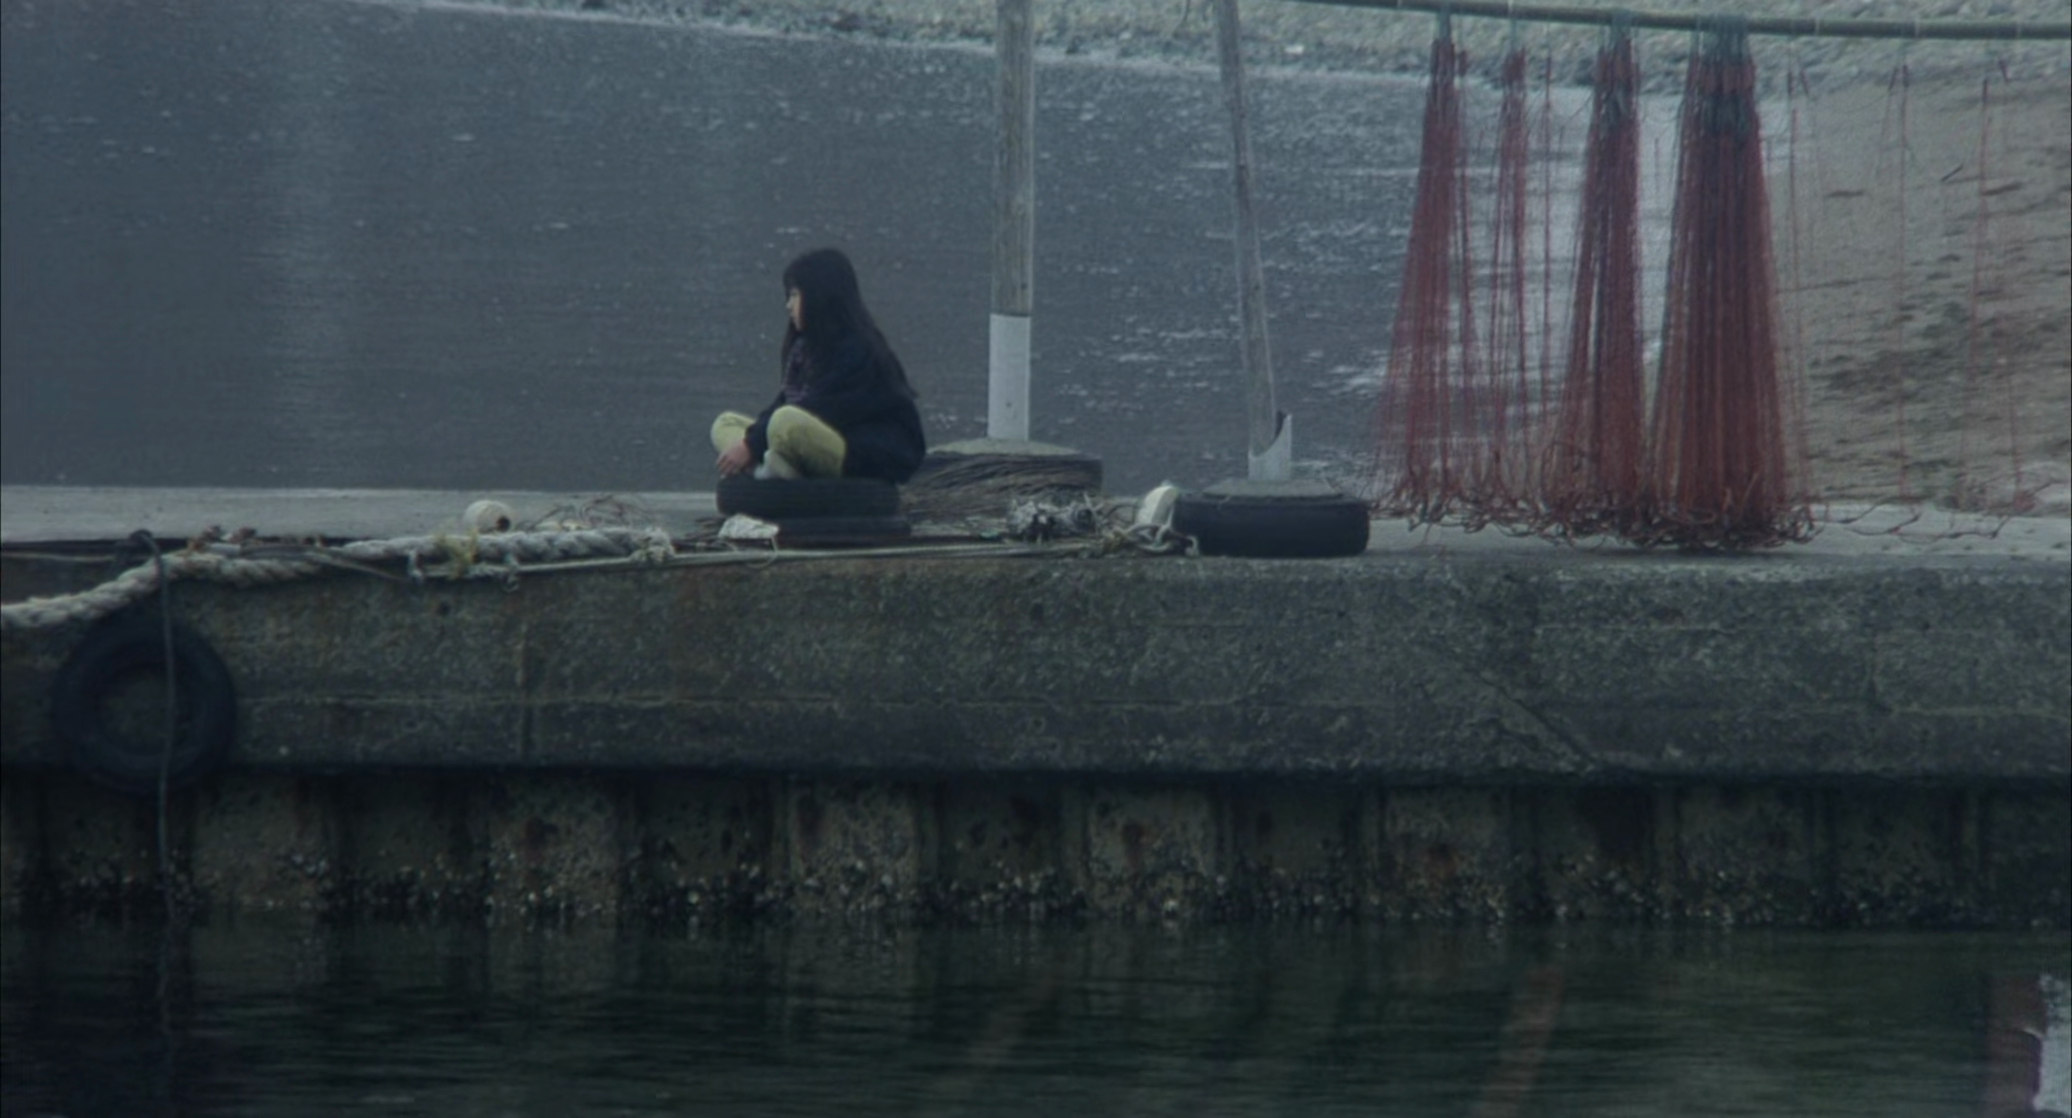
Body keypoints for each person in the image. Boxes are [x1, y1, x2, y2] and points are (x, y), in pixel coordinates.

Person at [711, 248, 926, 484]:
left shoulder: (857, 350)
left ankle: (771, 473)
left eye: (795, 295)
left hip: (862, 456)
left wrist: (751, 445)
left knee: (785, 421)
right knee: (726, 423)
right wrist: (749, 442)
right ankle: (775, 469)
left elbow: (818, 410)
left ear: (818, 296)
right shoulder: (806, 350)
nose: (788, 306)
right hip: (810, 438)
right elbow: (784, 401)